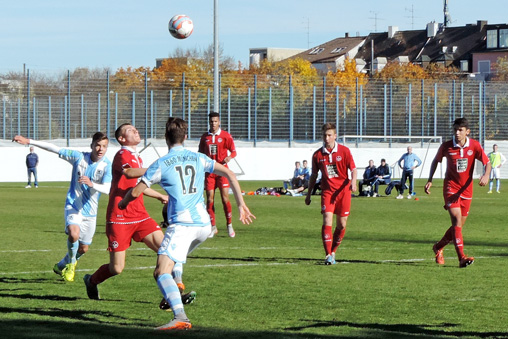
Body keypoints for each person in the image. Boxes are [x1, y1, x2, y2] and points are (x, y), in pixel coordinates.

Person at [118, 117, 255, 330]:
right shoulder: (199, 158)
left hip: (182, 225)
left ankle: (180, 315)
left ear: (166, 138)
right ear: (186, 137)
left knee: (161, 271)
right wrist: (241, 204)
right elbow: (229, 172)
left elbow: (136, 191)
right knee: (171, 260)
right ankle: (174, 290)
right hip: (203, 225)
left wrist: (123, 203)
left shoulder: (161, 163)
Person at [83, 123, 174, 301]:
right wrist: (157, 169)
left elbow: (138, 186)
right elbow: (129, 173)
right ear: (122, 139)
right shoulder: (122, 155)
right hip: (119, 217)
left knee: (167, 251)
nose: (136, 130)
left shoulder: (136, 157)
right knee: (116, 268)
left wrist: (159, 196)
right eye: (130, 130)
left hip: (140, 215)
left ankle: (173, 292)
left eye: (136, 128)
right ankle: (92, 280)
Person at [13, 133, 112, 282]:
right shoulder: (78, 157)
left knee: (83, 248)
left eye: (104, 146)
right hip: (73, 205)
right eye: (98, 145)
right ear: (92, 145)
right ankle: (71, 265)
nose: (100, 149)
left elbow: (108, 189)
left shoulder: (106, 165)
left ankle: (61, 265)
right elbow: (54, 148)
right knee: (73, 234)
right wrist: (29, 141)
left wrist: (92, 184)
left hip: (90, 211)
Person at [425, 117, 491, 268]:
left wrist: (486, 175)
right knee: (456, 220)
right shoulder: (447, 146)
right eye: (455, 130)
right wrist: (430, 179)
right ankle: (461, 257)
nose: (457, 133)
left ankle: (438, 247)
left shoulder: (474, 145)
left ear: (467, 131)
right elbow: (436, 161)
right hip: (451, 188)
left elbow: (487, 163)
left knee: (459, 225)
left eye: (460, 130)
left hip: (467, 190)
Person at [305, 123, 357, 265]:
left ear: (335, 136)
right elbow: (314, 176)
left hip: (343, 192)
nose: (326, 138)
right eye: (324, 135)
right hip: (327, 192)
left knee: (341, 224)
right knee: (327, 220)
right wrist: (308, 194)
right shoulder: (317, 155)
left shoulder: (344, 151)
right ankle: (328, 254)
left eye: (329, 135)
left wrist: (353, 182)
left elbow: (353, 169)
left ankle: (333, 251)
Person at [198, 112, 237, 238]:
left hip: (222, 171)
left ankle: (229, 225)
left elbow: (234, 151)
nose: (213, 123)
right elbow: (200, 154)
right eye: (211, 121)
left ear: (219, 122)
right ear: (209, 122)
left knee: (225, 198)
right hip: (210, 172)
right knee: (210, 198)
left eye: (215, 121)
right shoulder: (205, 137)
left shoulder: (225, 136)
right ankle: (213, 226)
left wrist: (229, 157)